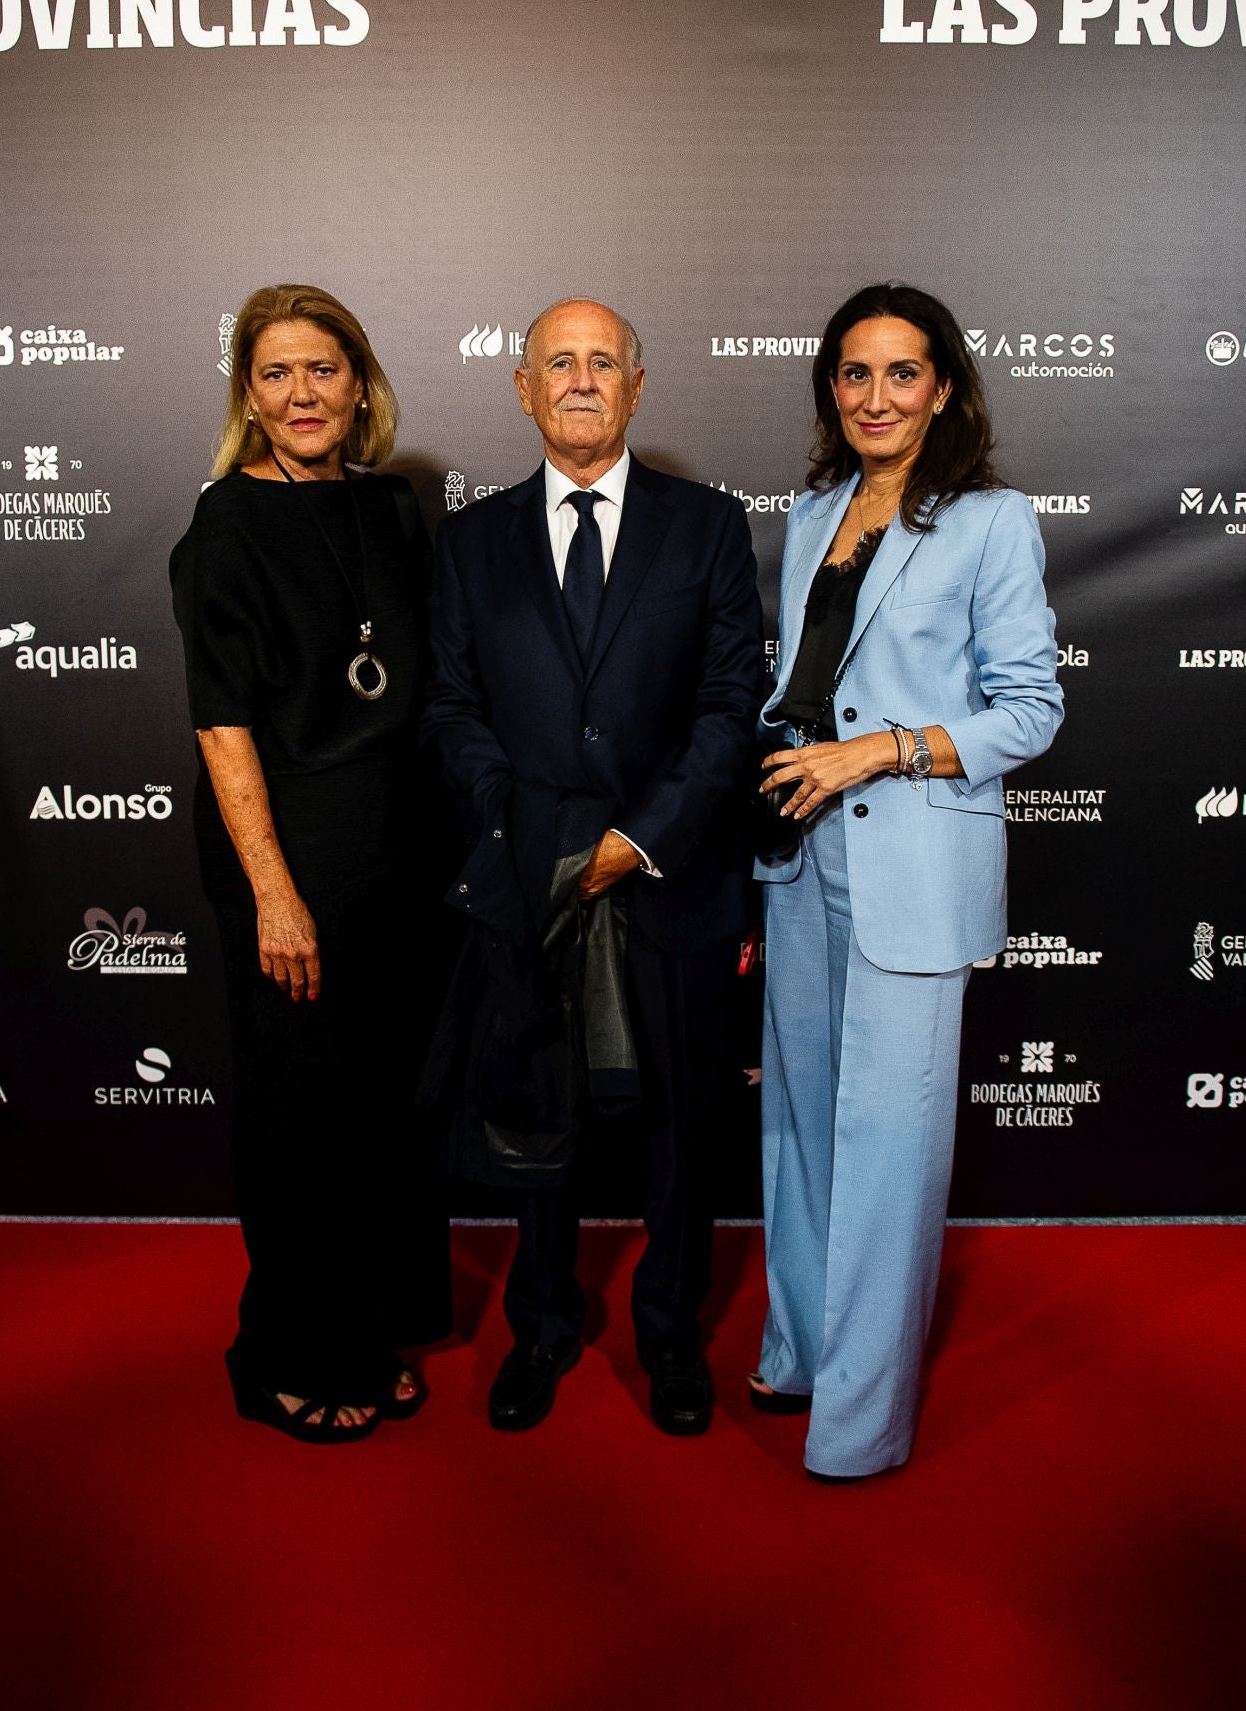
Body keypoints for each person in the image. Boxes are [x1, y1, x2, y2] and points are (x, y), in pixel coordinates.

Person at [422, 298, 762, 1435]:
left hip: (671, 878)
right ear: (521, 388)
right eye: (555, 362)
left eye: (600, 361)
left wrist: (640, 837)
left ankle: (669, 1337)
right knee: (539, 1118)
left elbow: (729, 707)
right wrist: (524, 831)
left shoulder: (706, 528)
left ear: (636, 385)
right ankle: (543, 1328)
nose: (579, 379)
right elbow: (451, 710)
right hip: (528, 882)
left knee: (679, 1129)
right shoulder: (467, 544)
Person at [751, 282, 1063, 1479]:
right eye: (853, 373)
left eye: (901, 373)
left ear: (941, 389)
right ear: (829, 388)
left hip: (912, 865)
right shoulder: (811, 507)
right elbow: (799, 686)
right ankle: (798, 1353)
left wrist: (881, 749)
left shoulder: (988, 520)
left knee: (884, 1142)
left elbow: (1029, 711)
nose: (874, 396)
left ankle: (860, 1424)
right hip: (797, 858)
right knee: (797, 1127)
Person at [169, 283, 451, 1443]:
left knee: (382, 1113)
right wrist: (275, 895)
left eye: (322, 370)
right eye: (276, 374)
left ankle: (368, 1329)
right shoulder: (223, 528)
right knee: (301, 1118)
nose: (302, 395)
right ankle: (289, 1351)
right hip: (289, 862)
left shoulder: (389, 511)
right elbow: (223, 725)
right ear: (248, 392)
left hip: (399, 853)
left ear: (358, 382)